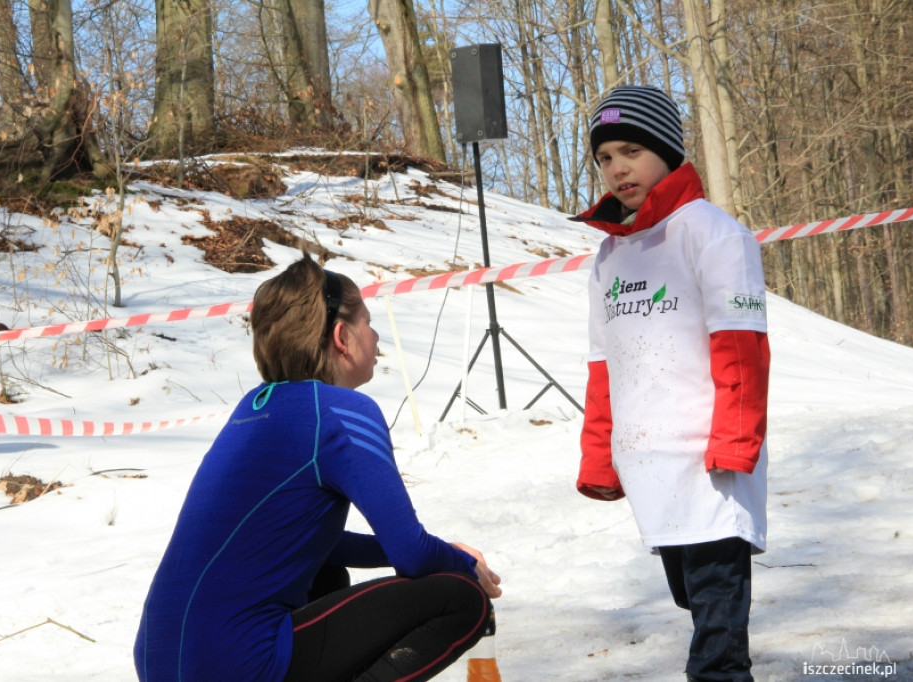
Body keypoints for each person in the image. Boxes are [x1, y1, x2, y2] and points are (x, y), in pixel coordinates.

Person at [134, 253, 502, 682]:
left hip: (160, 659)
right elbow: (412, 554)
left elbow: (313, 542)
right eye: (368, 321)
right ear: (342, 336)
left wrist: (438, 549)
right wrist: (458, 561)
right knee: (463, 599)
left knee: (326, 573)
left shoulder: (254, 407)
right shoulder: (341, 411)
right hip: (235, 662)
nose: (377, 336)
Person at [571, 85, 770, 682]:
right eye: (605, 157)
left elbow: (742, 351)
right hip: (650, 467)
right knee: (694, 604)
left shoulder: (713, 233)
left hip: (712, 467)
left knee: (717, 640)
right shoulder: (609, 257)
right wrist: (602, 461)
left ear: (667, 150)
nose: (617, 167)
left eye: (631, 149)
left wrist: (735, 444)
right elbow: (603, 369)